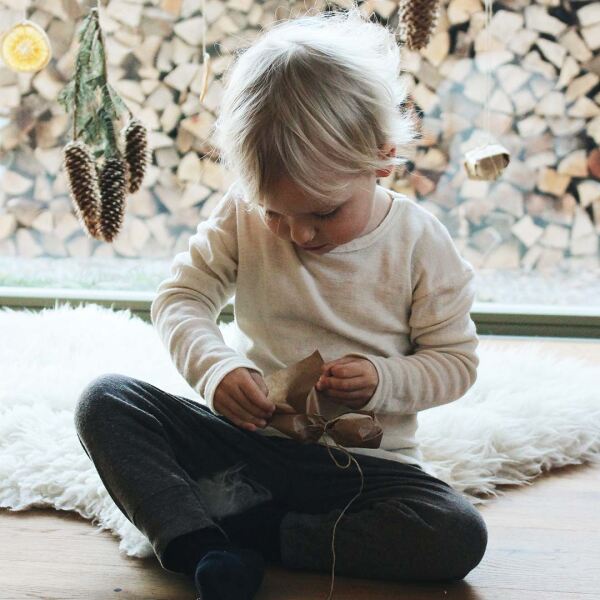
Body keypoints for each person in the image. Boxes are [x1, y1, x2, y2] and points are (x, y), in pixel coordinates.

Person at [74, 4, 488, 599]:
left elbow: (456, 363)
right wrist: (217, 370)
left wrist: (383, 380)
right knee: (106, 402)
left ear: (381, 160)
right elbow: (181, 298)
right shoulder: (241, 218)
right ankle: (197, 546)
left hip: (364, 474)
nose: (299, 235)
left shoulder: (420, 243)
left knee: (455, 533)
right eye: (275, 212)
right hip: (246, 446)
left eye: (323, 213)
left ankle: (253, 532)